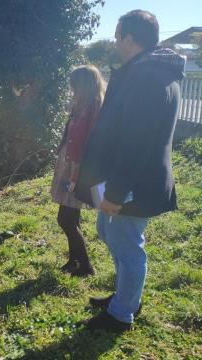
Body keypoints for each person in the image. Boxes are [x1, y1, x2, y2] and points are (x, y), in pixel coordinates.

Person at [74, 10, 185, 331]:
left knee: (127, 244)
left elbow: (135, 143)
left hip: (133, 183)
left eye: (118, 34)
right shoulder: (146, 70)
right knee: (108, 232)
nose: (115, 40)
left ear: (130, 38)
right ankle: (126, 296)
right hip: (126, 179)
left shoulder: (148, 77)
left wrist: (117, 193)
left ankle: (122, 314)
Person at [50, 65, 105, 277]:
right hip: (71, 166)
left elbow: (84, 144)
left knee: (65, 219)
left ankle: (85, 266)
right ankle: (74, 262)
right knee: (71, 217)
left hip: (76, 169)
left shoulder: (92, 108)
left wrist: (74, 175)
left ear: (83, 85)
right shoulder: (84, 106)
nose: (71, 89)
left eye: (74, 85)